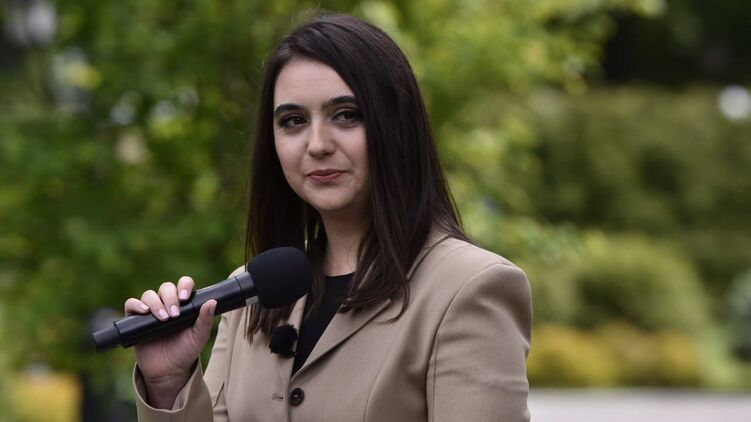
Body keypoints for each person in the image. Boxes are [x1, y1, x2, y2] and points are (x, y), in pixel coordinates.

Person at [125, 12, 532, 422]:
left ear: (397, 125)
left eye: (346, 115)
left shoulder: (470, 287)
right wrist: (168, 384)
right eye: (293, 121)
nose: (317, 144)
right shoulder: (249, 294)